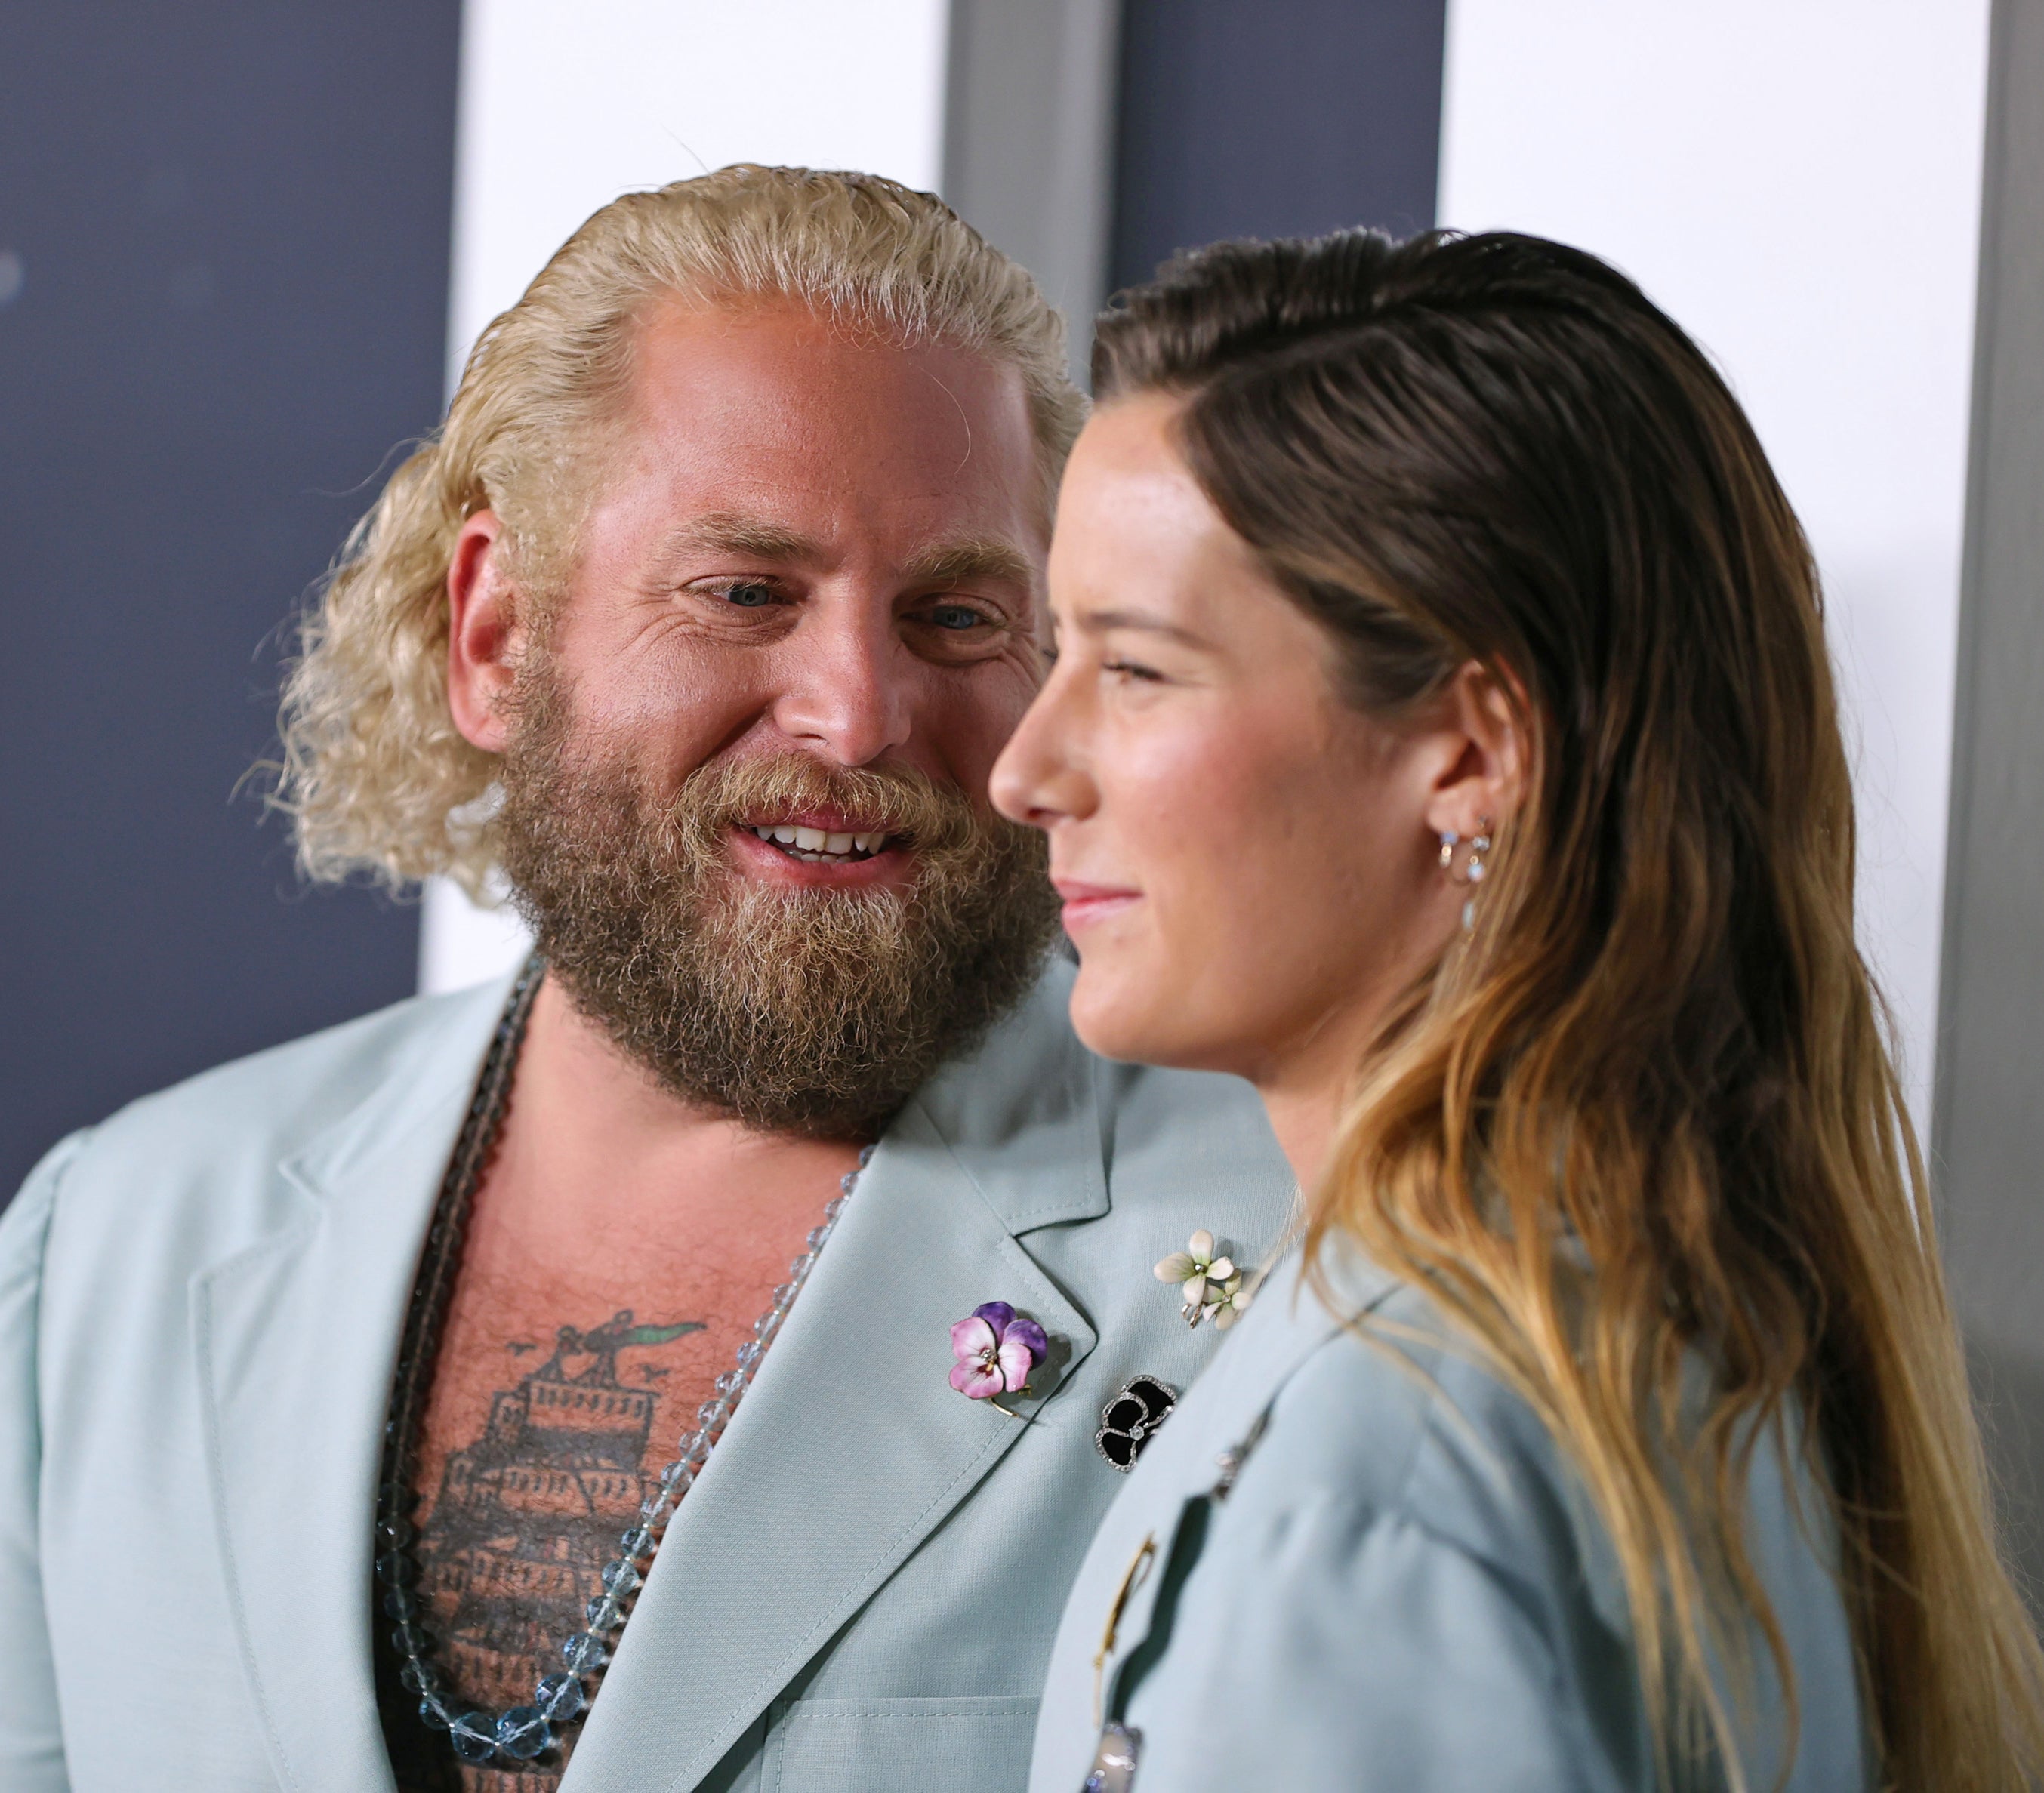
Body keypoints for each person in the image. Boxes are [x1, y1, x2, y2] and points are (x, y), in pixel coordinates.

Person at [0, 168, 1296, 1793]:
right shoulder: (113, 1246)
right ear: (494, 641)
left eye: (958, 614)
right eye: (745, 592)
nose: (857, 711)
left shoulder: (1299, 1249)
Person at [995, 229, 2044, 1791]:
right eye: (1052, 651)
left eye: (1137, 672)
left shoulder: (1376, 1465)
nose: (1027, 769)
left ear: (1470, 752)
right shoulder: (1674, 1332)